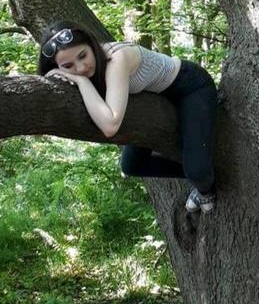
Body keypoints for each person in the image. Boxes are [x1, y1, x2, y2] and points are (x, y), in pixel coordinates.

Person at [37, 23, 217, 213]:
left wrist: (80, 81)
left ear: (92, 46)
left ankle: (204, 188)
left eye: (83, 55)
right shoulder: (89, 69)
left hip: (190, 87)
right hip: (156, 100)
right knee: (132, 166)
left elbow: (110, 125)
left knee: (198, 171)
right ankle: (198, 168)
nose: (81, 68)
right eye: (67, 66)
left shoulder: (116, 59)